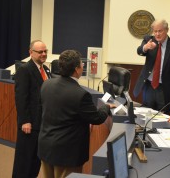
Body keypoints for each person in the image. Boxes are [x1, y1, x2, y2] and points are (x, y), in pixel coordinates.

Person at [38, 50, 113, 178]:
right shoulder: (80, 94)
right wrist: (105, 107)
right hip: (67, 153)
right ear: (77, 69)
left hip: (46, 146)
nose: (83, 66)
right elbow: (97, 118)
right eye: (82, 64)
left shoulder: (46, 84)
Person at [12, 40, 51, 178]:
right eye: (40, 52)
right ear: (30, 52)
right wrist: (25, 121)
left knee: (35, 162)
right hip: (30, 124)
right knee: (24, 163)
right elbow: (21, 98)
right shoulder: (24, 70)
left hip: (42, 124)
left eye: (45, 51)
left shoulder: (46, 69)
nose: (43, 54)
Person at [133, 19, 170, 112]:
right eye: (155, 31)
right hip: (149, 85)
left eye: (160, 31)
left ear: (167, 30)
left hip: (165, 88)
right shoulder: (149, 40)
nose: (157, 34)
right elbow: (139, 51)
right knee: (146, 112)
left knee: (163, 114)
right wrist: (146, 47)